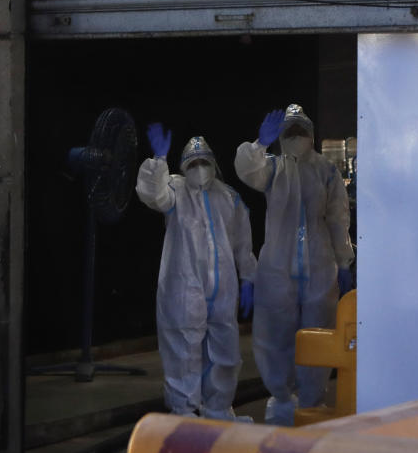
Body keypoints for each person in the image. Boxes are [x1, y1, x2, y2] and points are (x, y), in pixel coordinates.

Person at [235, 103, 353, 426]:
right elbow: (246, 170)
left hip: (319, 267)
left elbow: (338, 219)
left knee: (318, 334)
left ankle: (312, 403)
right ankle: (282, 399)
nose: (296, 137)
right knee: (275, 336)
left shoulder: (327, 171)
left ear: (311, 136)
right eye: (290, 132)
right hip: (278, 270)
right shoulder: (272, 168)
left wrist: (344, 262)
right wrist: (259, 144)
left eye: (301, 131)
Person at [136, 126, 256, 421]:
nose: (199, 168)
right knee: (184, 347)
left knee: (225, 349)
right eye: (193, 163)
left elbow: (242, 242)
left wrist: (249, 276)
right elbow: (154, 194)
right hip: (184, 284)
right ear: (183, 167)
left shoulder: (229, 197)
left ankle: (218, 409)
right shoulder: (175, 191)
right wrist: (159, 159)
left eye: (204, 162)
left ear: (214, 165)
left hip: (224, 286)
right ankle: (185, 411)